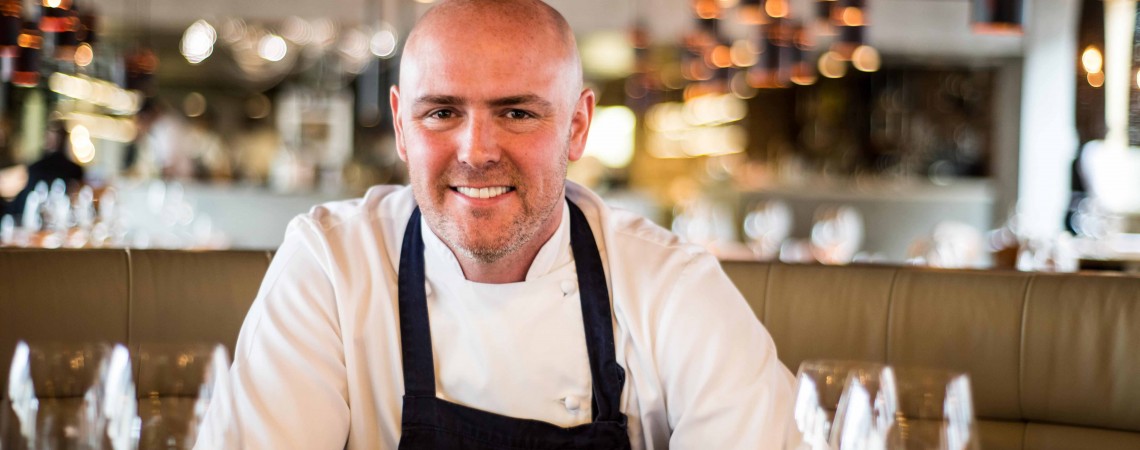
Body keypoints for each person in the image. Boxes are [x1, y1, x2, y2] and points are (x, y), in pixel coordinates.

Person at [197, 1, 793, 448]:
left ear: (577, 126)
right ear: (402, 126)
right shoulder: (331, 266)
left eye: (516, 113)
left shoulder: (672, 287)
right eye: (442, 112)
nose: (476, 152)